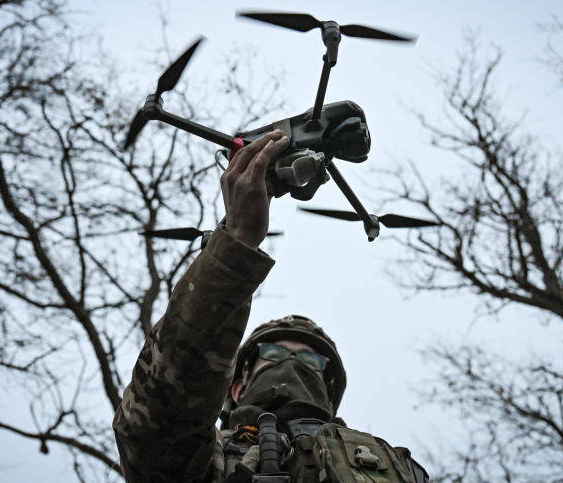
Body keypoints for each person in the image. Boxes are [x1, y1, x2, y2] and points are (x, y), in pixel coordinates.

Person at [113, 130, 428, 482]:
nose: (294, 366)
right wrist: (235, 244)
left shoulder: (385, 463)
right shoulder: (206, 461)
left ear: (328, 387)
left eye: (310, 361)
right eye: (275, 356)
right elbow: (155, 423)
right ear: (236, 387)